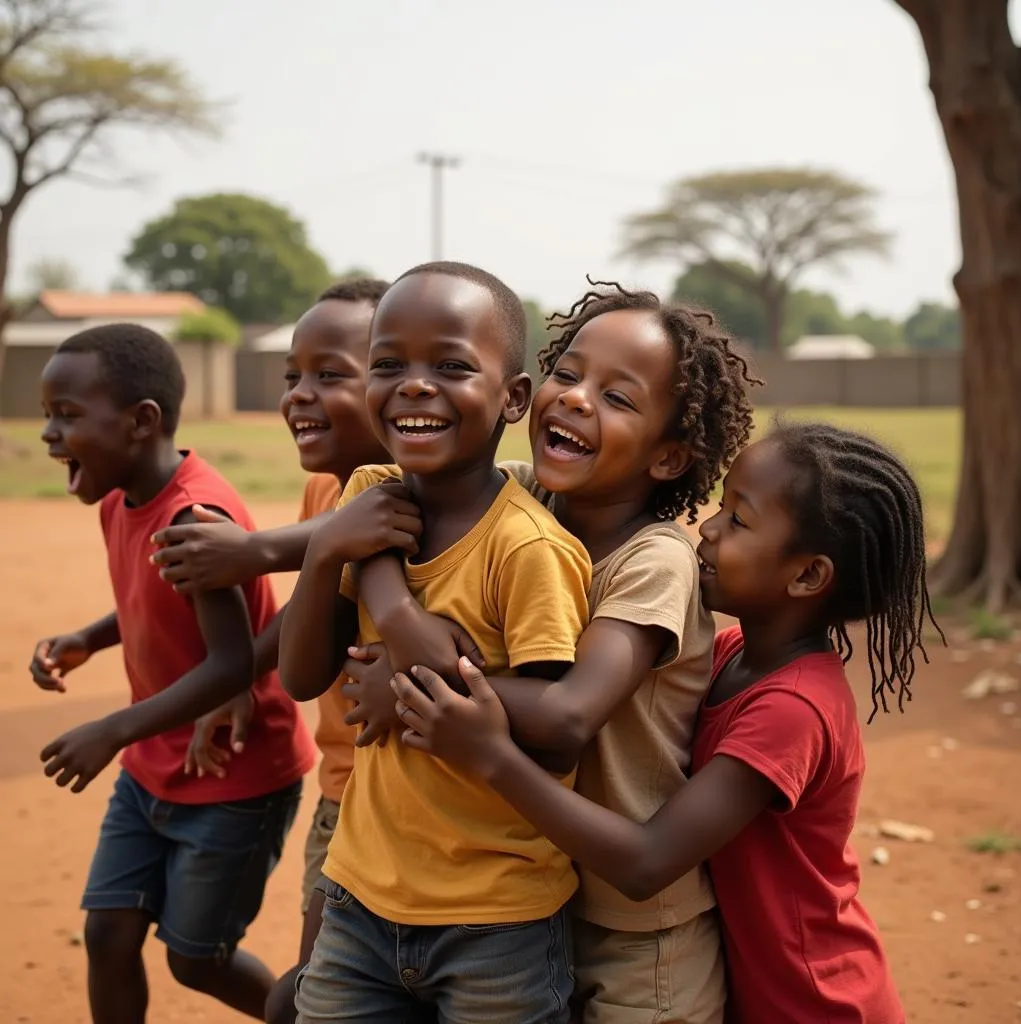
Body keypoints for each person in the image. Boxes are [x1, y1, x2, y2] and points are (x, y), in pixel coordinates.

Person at [393, 421, 942, 1024]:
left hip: (813, 1000)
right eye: (721, 505)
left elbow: (646, 862)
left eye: (739, 520)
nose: (708, 527)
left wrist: (489, 753)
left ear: (808, 575)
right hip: (748, 978)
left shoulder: (794, 708)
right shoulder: (731, 654)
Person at [344, 281, 758, 1023]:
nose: (575, 399)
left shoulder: (652, 560)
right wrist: (395, 613)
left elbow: (569, 713)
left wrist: (411, 682)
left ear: (667, 458)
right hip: (538, 892)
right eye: (569, 374)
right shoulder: (521, 500)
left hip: (640, 931)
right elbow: (382, 506)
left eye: (618, 398)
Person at [279, 261, 592, 1024]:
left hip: (497, 916)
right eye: (388, 365)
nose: (414, 385)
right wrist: (324, 555)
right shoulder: (364, 497)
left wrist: (419, 677)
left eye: (451, 365)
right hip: (360, 891)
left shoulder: (527, 550)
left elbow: (554, 737)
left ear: (514, 398)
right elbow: (300, 673)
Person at [145, 279, 442, 1024]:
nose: (300, 396)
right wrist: (237, 677)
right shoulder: (323, 491)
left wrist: (252, 550)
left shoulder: (427, 503)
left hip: (413, 809)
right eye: (292, 377)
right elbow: (312, 605)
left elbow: (366, 528)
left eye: (330, 374)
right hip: (340, 794)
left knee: (314, 1003)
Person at [30, 324, 317, 1023]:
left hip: (234, 773)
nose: (48, 434)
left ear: (142, 421)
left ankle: (311, 1019)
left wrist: (111, 729)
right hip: (153, 762)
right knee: (108, 931)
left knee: (197, 957)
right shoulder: (119, 496)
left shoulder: (195, 520)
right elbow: (148, 597)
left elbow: (230, 664)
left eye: (67, 415)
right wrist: (90, 638)